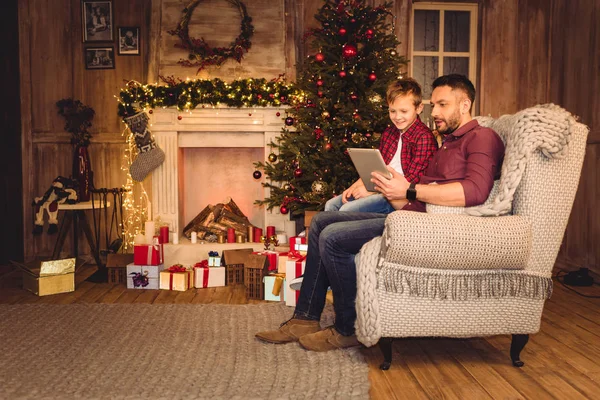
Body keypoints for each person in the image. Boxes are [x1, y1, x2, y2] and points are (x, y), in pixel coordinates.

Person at [255, 74, 505, 351]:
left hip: (424, 226)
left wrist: (409, 190)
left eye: (442, 105)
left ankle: (347, 328)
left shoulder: (482, 137)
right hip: (406, 214)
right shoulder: (448, 141)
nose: (434, 113)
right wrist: (392, 191)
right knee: (322, 220)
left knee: (333, 238)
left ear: (465, 104)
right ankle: (305, 318)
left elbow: (475, 191)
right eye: (433, 105)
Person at [324, 78, 437, 214]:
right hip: (379, 188)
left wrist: (371, 191)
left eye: (404, 111)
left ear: (418, 108)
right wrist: (354, 187)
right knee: (332, 205)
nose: (397, 117)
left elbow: (411, 182)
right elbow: (375, 167)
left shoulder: (424, 137)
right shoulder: (390, 132)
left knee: (348, 209)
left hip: (399, 197)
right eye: (392, 111)